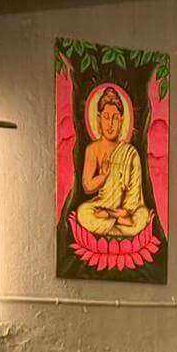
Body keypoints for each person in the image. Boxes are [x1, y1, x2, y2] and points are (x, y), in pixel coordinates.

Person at [76, 86, 151, 238]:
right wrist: (103, 176)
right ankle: (117, 223)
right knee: (82, 212)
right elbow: (87, 186)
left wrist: (125, 211)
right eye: (106, 117)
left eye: (115, 118)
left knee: (142, 216)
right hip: (102, 206)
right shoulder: (92, 149)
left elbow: (134, 195)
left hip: (125, 211)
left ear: (122, 121)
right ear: (98, 118)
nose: (110, 124)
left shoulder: (131, 153)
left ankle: (112, 221)